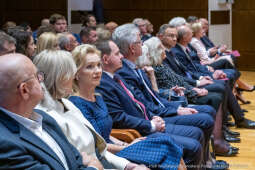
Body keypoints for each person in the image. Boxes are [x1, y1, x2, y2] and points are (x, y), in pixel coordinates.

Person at [70, 44, 186, 170]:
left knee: (168, 145)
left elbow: (106, 135)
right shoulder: (77, 103)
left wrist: (126, 143)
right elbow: (96, 145)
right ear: (76, 74)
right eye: (90, 67)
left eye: (98, 65)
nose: (97, 71)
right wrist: (126, 147)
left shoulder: (97, 97)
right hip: (106, 156)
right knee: (167, 147)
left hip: (116, 146)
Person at [0, 53, 99, 169]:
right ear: (24, 90)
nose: (42, 80)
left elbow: (75, 158)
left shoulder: (44, 118)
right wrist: (94, 168)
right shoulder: (5, 144)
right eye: (37, 76)